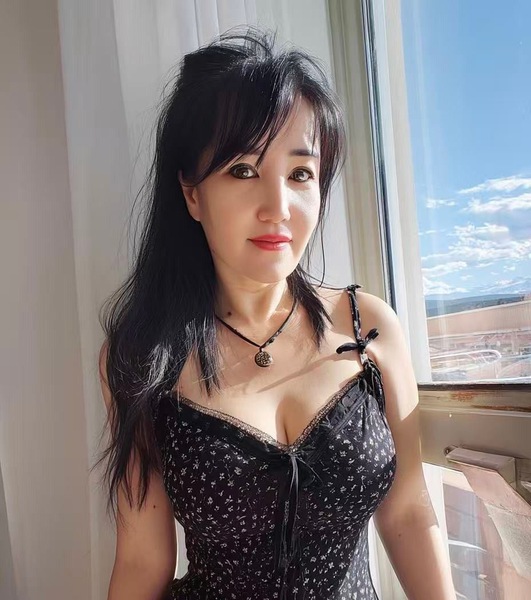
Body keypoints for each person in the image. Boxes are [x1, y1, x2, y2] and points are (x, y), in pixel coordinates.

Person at [96, 26, 456, 600]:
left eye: (300, 174)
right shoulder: (142, 355)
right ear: (191, 193)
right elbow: (143, 560)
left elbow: (409, 512)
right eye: (243, 170)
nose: (278, 207)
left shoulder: (369, 329)